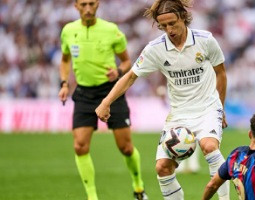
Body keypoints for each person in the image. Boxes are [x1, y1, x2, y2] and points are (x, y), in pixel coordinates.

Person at [95, 0, 230, 199]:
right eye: (163, 26)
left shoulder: (206, 40)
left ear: (183, 17)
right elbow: (131, 76)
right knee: (162, 167)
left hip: (207, 108)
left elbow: (221, 74)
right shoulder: (155, 49)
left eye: (172, 23)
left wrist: (220, 108)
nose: (169, 29)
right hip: (178, 115)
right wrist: (106, 102)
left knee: (209, 147)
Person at [58, 0, 147, 199]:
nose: (88, 8)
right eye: (83, 4)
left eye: (91, 4)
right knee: (80, 146)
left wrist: (118, 71)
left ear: (97, 4)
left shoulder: (111, 30)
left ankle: (138, 186)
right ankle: (92, 197)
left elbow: (126, 61)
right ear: (76, 6)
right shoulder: (68, 31)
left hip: (111, 92)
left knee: (125, 147)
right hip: (83, 94)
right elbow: (64, 60)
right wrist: (64, 83)